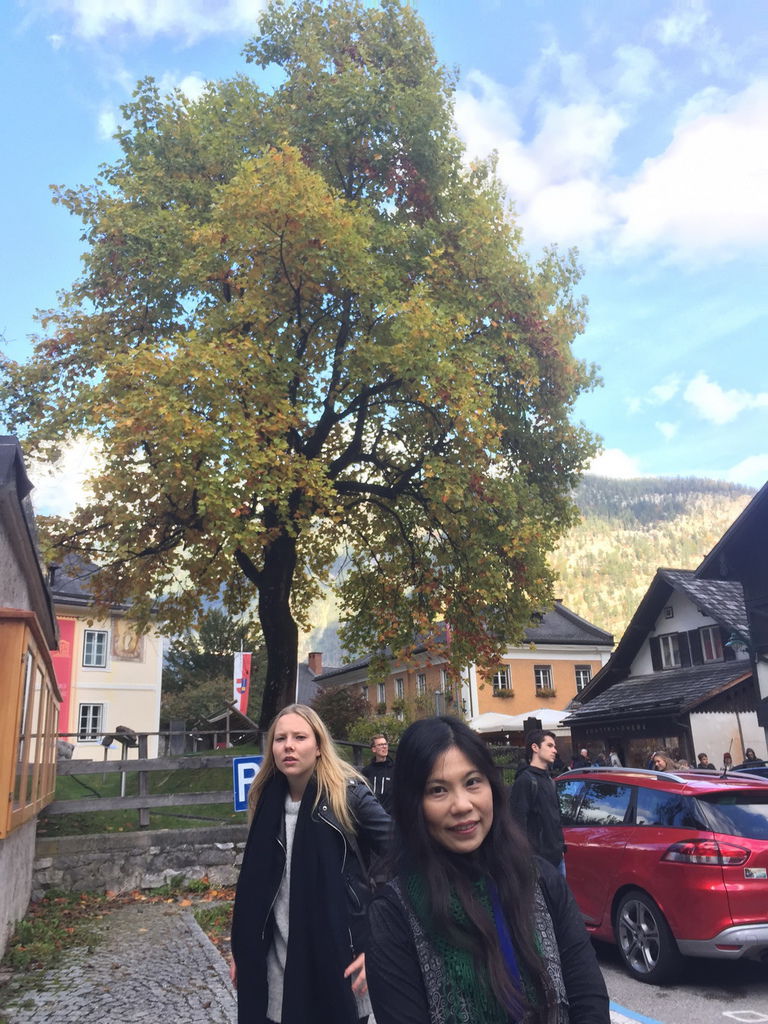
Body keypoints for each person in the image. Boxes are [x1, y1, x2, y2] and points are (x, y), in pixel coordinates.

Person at [366, 716, 610, 1024]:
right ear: (413, 804)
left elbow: (588, 996)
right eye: (438, 790)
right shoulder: (393, 915)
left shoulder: (541, 881)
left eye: (472, 782)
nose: (462, 805)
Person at [230, 703, 391, 1024]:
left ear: (318, 746)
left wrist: (380, 939)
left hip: (338, 963)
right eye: (280, 738)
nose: (288, 746)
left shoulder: (348, 797)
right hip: (276, 971)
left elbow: (406, 856)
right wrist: (244, 949)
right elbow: (254, 888)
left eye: (300, 737)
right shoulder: (265, 800)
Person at [508, 730, 565, 873]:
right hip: (538, 861)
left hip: (557, 858)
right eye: (549, 746)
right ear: (535, 747)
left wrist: (561, 848)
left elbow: (555, 819)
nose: (555, 750)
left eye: (554, 746)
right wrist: (527, 858)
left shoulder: (550, 781)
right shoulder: (525, 781)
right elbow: (517, 822)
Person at [362, 733, 395, 813]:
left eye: (385, 744)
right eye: (380, 745)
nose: (384, 747)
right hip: (372, 814)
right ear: (374, 749)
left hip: (391, 816)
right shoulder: (366, 771)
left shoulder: (395, 769)